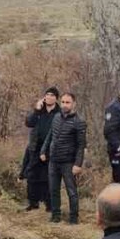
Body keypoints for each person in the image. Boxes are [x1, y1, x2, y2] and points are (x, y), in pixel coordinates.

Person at [41, 92, 87, 224]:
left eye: (68, 102)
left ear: (74, 104)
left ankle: (74, 218)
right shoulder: (56, 117)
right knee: (53, 189)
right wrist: (44, 150)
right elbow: (50, 135)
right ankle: (55, 216)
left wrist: (78, 164)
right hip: (53, 160)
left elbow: (81, 145)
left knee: (71, 191)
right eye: (63, 102)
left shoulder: (79, 122)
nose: (65, 105)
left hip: (68, 162)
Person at [20, 86, 60, 212]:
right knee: (32, 176)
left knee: (48, 177)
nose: (49, 97)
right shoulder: (39, 111)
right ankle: (33, 203)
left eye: (52, 95)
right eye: (47, 94)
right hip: (35, 147)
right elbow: (29, 123)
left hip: (50, 148)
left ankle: (49, 204)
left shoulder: (59, 113)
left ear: (56, 98)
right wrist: (36, 110)